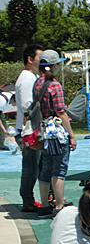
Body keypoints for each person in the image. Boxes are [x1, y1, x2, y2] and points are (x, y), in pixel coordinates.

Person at [33, 51, 77, 219]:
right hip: (57, 133)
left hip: (44, 132)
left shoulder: (37, 83)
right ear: (55, 65)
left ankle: (44, 205)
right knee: (59, 169)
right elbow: (61, 112)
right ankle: (59, 206)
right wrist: (71, 135)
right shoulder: (54, 85)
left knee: (46, 169)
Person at [15, 44, 43, 212]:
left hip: (31, 129)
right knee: (31, 168)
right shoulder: (26, 78)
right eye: (40, 59)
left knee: (36, 166)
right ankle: (27, 200)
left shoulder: (31, 76)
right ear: (30, 59)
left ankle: (31, 198)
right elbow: (27, 105)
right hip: (28, 131)